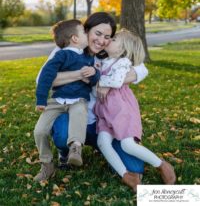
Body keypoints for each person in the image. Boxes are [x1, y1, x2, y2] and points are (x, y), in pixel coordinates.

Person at [37, 12, 148, 189]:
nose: (102, 40)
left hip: (102, 123)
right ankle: (65, 151)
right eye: (97, 34)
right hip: (73, 114)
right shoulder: (65, 50)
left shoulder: (107, 54)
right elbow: (41, 79)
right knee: (62, 135)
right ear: (85, 31)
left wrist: (109, 83)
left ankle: (100, 146)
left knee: (135, 167)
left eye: (107, 37)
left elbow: (142, 69)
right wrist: (81, 74)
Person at [94, 29, 176, 192]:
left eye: (115, 39)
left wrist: (99, 81)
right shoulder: (103, 61)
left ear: (123, 50)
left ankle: (162, 165)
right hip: (104, 111)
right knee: (102, 142)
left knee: (127, 145)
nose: (110, 40)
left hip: (121, 110)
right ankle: (126, 175)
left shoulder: (122, 62)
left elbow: (116, 82)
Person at [34, 19, 100, 182]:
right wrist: (41, 100)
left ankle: (76, 149)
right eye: (84, 32)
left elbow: (94, 79)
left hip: (78, 99)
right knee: (39, 131)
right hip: (57, 101)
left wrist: (93, 73)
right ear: (75, 38)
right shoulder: (60, 55)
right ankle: (47, 164)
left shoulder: (88, 57)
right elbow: (46, 76)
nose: (87, 35)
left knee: (79, 113)